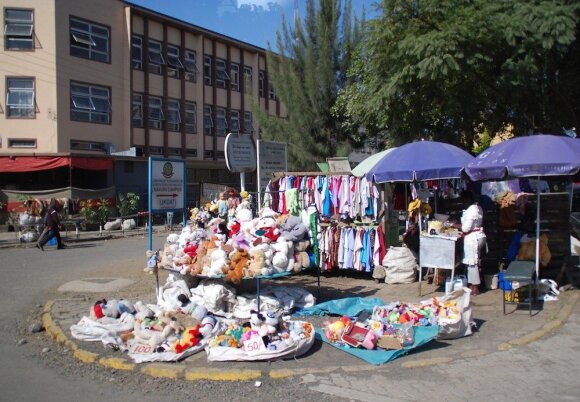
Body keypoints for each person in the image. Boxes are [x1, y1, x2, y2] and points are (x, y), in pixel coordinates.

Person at [459, 191, 486, 295]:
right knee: (473, 262)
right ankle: (472, 284)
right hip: (478, 236)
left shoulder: (471, 210)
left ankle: (475, 287)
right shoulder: (478, 208)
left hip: (473, 238)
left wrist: (458, 226)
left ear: (467, 199)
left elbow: (466, 228)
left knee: (472, 263)